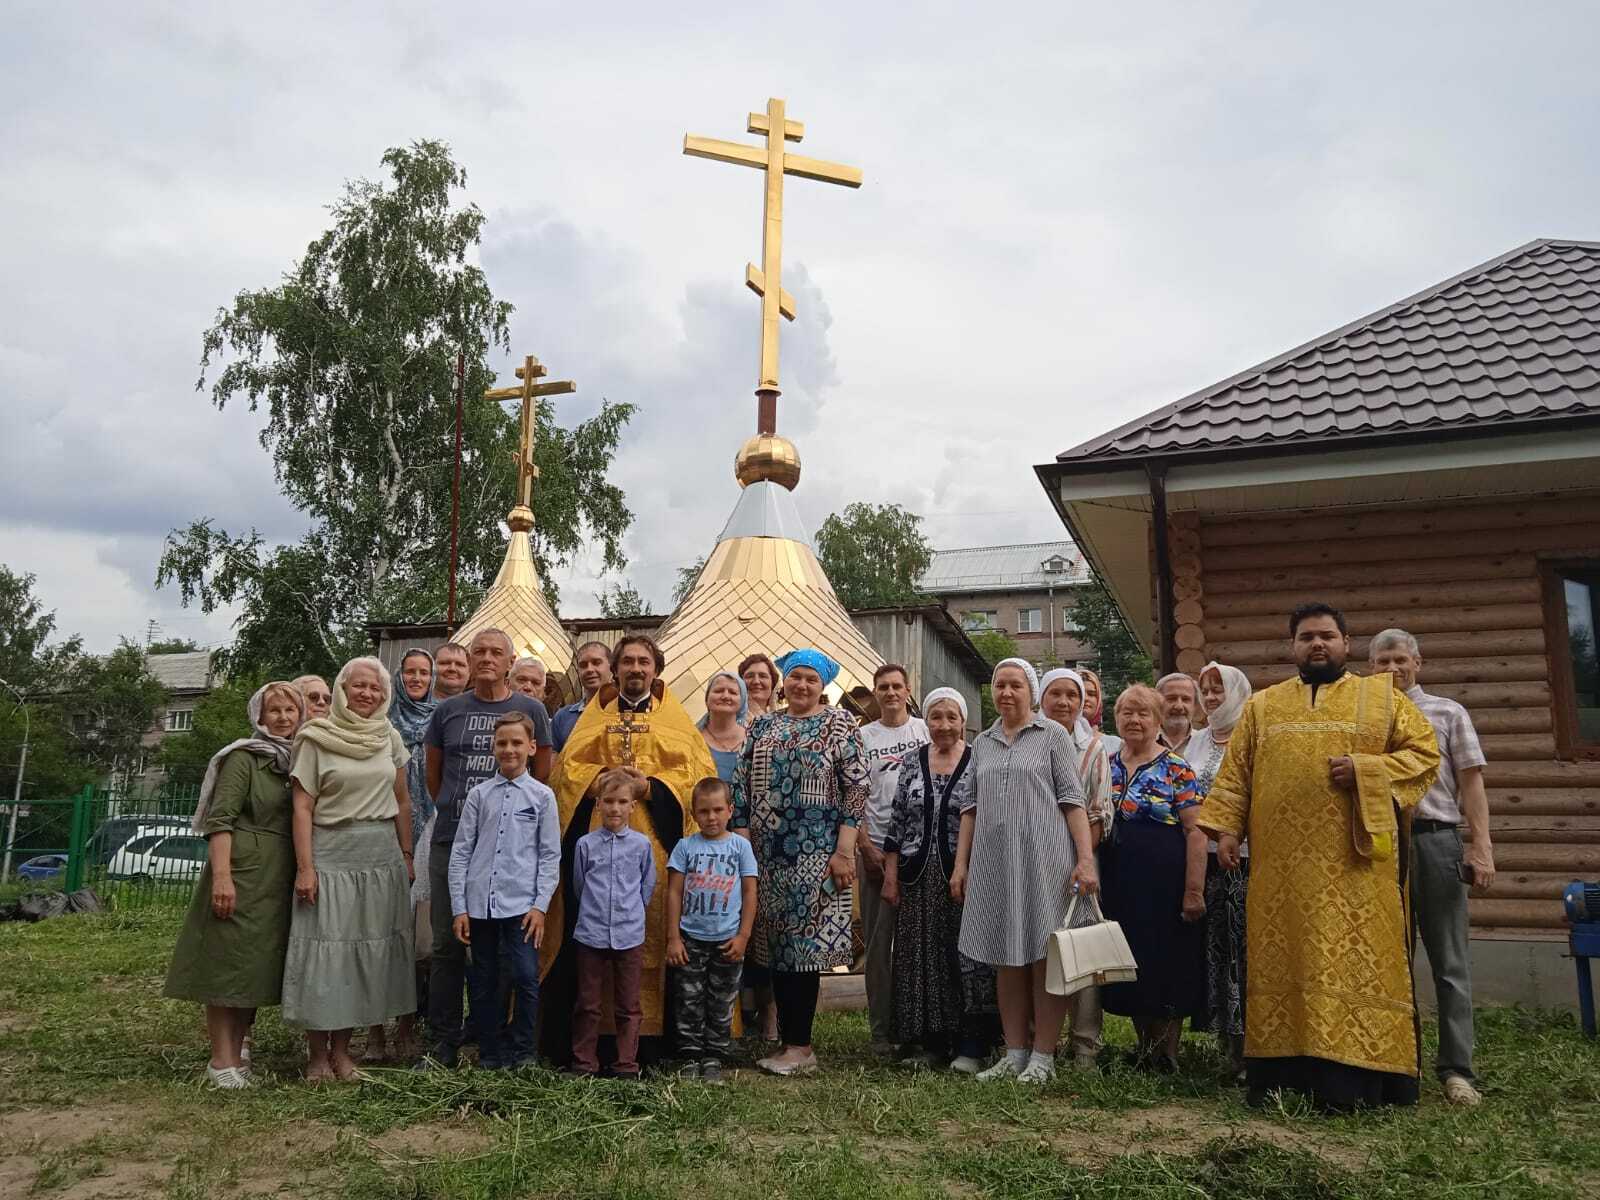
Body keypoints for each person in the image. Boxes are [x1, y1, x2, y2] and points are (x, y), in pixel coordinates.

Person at [1197, 602, 1440, 1112]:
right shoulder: (1263, 706)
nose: (1317, 644)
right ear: (1293, 646)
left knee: (1353, 967)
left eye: (1327, 635)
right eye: (1307, 636)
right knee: (1282, 963)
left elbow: (1424, 755)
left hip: (1357, 871)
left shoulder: (1381, 699)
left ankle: (1355, 1084)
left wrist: (1367, 770)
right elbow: (1237, 772)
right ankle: (1282, 1078)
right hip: (1278, 871)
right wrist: (1225, 832)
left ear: (1346, 644)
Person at [541, 635, 715, 1066]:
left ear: (656, 670)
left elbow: (697, 778)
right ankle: (590, 1047)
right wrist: (598, 780)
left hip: (655, 855)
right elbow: (565, 774)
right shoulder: (592, 719)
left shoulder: (677, 723)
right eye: (628, 662)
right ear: (615, 670)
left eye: (644, 662)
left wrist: (651, 788)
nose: (636, 669)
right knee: (592, 944)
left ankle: (646, 1047)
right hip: (596, 853)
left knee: (650, 941)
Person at [955, 658, 1095, 1085]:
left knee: (1043, 958)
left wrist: (1085, 859)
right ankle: (1014, 1053)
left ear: (1031, 692)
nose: (1007, 693)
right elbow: (970, 808)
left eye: (1015, 685)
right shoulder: (983, 742)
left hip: (1045, 861)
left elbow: (1074, 801)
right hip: (994, 863)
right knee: (1005, 959)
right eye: (1000, 686)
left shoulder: (1051, 735)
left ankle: (1043, 1057)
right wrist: (960, 865)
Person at [1370, 628, 1494, 1107]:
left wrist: (1480, 847)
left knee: (1449, 961)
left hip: (1436, 840)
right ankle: (1397, 1065)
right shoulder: (1364, 716)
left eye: (1400, 659)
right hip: (1381, 845)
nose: (1392, 669)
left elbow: (1472, 783)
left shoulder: (1447, 712)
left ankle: (1457, 1069)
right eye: (1382, 662)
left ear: (1417, 662)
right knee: (1388, 959)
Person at [420, 628, 554, 1069]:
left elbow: (546, 774)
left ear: (511, 660)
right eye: (478, 651)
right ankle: (444, 1037)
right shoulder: (448, 711)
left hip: (513, 849)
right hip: (455, 843)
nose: (486, 658)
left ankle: (493, 1036)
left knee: (501, 958)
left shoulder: (531, 708)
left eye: (497, 652)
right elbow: (434, 776)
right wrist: (454, 811)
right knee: (447, 945)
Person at [732, 648, 869, 1076]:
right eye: (795, 677)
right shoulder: (764, 726)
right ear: (783, 682)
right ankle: (789, 1043)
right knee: (777, 950)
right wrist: (742, 846)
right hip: (768, 858)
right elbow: (740, 786)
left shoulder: (839, 724)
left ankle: (801, 1047)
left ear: (822, 684)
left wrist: (844, 850)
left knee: (806, 952)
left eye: (811, 679)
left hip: (818, 857)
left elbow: (857, 789)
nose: (802, 685)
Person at [164, 681, 305, 1089]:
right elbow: (220, 819)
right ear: (258, 716)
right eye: (274, 710)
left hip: (276, 875)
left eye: (290, 711)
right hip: (242, 869)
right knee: (226, 962)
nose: (282, 718)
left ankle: (238, 1057)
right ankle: (220, 1059)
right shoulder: (243, 757)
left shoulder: (294, 760)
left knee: (252, 967)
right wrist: (222, 877)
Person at [282, 657, 416, 1081]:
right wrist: (306, 868)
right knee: (327, 953)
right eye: (358, 686)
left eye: (375, 688)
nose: (367, 694)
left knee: (363, 955)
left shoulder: (388, 737)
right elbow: (302, 807)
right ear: (342, 689)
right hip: (331, 853)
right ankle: (317, 1056)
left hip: (379, 856)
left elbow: (404, 801)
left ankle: (344, 1053)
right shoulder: (314, 737)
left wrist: (407, 855)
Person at [880, 688, 996, 1072]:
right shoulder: (913, 760)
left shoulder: (979, 759)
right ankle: (926, 1042)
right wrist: (891, 876)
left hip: (964, 877)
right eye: (936, 717)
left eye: (951, 717)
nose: (943, 725)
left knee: (964, 958)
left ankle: (970, 1043)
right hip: (916, 878)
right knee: (917, 958)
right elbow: (897, 820)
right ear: (926, 722)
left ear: (964, 721)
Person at [1098, 684, 1207, 1072]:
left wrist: (1193, 889)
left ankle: (1167, 1053)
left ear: (1158, 721)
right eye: (1127, 712)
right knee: (1131, 961)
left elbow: (1196, 831)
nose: (1134, 719)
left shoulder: (1177, 767)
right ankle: (1144, 1048)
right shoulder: (1106, 763)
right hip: (1120, 879)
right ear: (1117, 718)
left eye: (1143, 713)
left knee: (1167, 960)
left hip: (1164, 879)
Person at [448, 712, 561, 1071]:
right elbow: (462, 852)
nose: (509, 749)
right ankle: (490, 1051)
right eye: (502, 743)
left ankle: (523, 1050)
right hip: (481, 905)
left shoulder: (542, 797)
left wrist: (540, 905)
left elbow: (549, 855)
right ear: (493, 747)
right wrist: (459, 907)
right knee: (484, 979)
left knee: (525, 976)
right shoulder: (479, 795)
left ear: (531, 747)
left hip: (522, 907)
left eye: (516, 743)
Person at [1037, 667, 1113, 1069]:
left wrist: (1078, 861)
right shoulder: (1027, 740)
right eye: (1055, 694)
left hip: (1076, 865)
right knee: (1039, 950)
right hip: (1032, 865)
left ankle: (1084, 1045)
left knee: (1082, 955)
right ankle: (1039, 1041)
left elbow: (1099, 813)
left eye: (1072, 695)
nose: (1064, 702)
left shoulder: (1093, 748)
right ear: (1041, 699)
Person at [856, 663, 930, 1054]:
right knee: (878, 944)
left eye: (896, 686)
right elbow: (854, 796)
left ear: (908, 689)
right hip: (874, 849)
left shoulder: (923, 730)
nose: (890, 693)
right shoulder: (863, 736)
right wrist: (866, 847)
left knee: (917, 942)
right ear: (875, 692)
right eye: (882, 687)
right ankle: (881, 1030)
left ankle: (915, 1025)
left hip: (917, 851)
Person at [665, 777, 759, 1083]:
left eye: (718, 809)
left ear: (730, 810)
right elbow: (674, 893)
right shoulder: (685, 847)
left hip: (728, 939)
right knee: (689, 1000)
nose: (712, 817)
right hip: (691, 938)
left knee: (721, 1002)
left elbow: (749, 893)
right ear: (693, 813)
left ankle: (714, 1057)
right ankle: (690, 1056)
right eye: (704, 811)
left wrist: (743, 936)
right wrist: (673, 938)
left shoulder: (740, 847)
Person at [1185, 660, 1252, 1077]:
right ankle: (1227, 1046)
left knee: (1243, 955)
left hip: (1242, 860)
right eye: (1205, 690)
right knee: (1215, 955)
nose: (1210, 698)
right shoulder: (1194, 743)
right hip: (1202, 862)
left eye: (1218, 690)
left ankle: (1253, 1047)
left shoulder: (1250, 733)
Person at [569, 767, 657, 1078]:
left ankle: (626, 1065)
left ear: (633, 805)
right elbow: (579, 886)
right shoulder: (585, 845)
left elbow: (647, 885)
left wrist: (631, 912)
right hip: (591, 934)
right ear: (598, 804)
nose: (615, 808)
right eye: (608, 801)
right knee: (588, 1003)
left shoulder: (641, 845)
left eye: (622, 802)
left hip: (629, 934)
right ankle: (584, 1063)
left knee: (628, 1005)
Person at [374, 648, 437, 1063]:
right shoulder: (381, 722)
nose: (416, 679)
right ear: (399, 677)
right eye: (410, 672)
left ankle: (408, 1029)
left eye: (423, 673)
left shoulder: (442, 717)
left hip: (430, 835)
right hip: (387, 834)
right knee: (379, 937)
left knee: (418, 944)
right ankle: (375, 1031)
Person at [553, 641, 613, 752]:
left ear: (612, 667)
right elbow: (554, 762)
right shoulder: (563, 717)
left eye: (596, 663)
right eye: (583, 665)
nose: (589, 669)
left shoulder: (628, 711)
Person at [697, 671, 748, 782]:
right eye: (718, 691)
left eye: (733, 692)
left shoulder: (754, 739)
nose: (725, 696)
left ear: (742, 701)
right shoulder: (692, 740)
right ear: (707, 699)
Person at [1080, 667, 1120, 757]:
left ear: (1098, 700)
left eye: (1091, 694)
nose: (1085, 698)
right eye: (1080, 694)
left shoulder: (1116, 745)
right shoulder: (1058, 742)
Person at [1155, 673, 1198, 755]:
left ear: (1194, 706)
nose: (1179, 706)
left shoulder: (1206, 744)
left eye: (1186, 699)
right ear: (1157, 703)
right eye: (1171, 699)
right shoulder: (1143, 742)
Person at [740, 653, 780, 720]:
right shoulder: (729, 718)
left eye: (763, 676)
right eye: (750, 676)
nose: (756, 681)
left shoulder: (781, 721)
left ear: (773, 683)